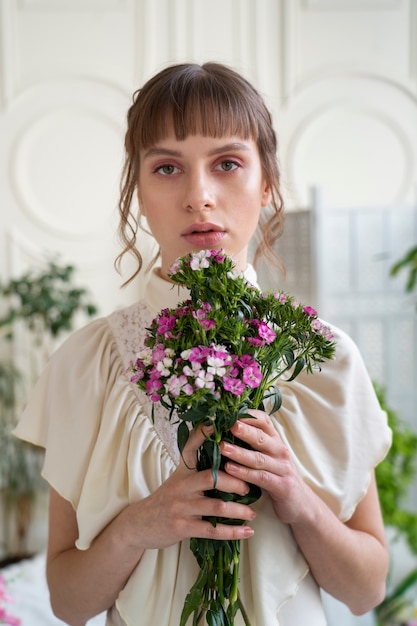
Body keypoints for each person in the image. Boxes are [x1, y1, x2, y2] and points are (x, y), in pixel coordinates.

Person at [14, 62, 391, 626]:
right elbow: (68, 604)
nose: (199, 196)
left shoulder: (328, 360)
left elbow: (366, 591)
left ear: (266, 183)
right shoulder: (85, 364)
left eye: (228, 164)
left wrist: (298, 499)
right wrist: (141, 525)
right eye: (167, 167)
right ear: (138, 191)